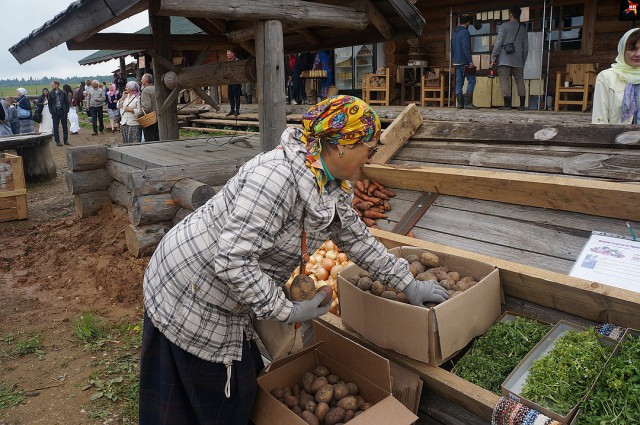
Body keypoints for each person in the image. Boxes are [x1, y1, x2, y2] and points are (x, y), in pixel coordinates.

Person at [138, 95, 449, 424]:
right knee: (218, 400)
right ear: (342, 145)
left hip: (219, 291)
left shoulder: (329, 182)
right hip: (190, 290)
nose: (370, 158)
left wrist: (408, 284)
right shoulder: (275, 180)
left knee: (236, 394)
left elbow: (356, 237)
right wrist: (285, 310)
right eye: (368, 148)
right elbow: (233, 261)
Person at [592, 28, 640, 124]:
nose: (638, 54)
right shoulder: (606, 77)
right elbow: (599, 119)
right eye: (632, 49)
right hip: (616, 137)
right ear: (622, 50)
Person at [491, 5, 528, 111]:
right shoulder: (523, 29)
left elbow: (498, 43)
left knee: (504, 81)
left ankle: (507, 105)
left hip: (504, 59)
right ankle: (521, 105)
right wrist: (523, 61)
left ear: (511, 14)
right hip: (518, 60)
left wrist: (493, 56)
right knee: (520, 80)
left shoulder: (504, 26)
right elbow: (526, 48)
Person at [452, 15, 477, 109]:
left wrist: (454, 59)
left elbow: (452, 48)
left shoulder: (454, 33)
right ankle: (467, 103)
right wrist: (470, 61)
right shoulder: (465, 32)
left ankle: (460, 104)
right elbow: (466, 47)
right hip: (464, 61)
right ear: (468, 23)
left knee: (459, 82)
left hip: (456, 61)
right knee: (472, 80)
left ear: (459, 22)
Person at [48, 80, 70, 146]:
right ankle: (57, 141)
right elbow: (49, 103)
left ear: (57, 85)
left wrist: (66, 110)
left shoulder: (63, 93)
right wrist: (51, 111)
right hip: (55, 112)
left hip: (62, 111)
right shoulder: (50, 93)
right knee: (55, 127)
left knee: (65, 126)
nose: (51, 86)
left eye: (52, 85)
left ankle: (65, 140)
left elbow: (67, 102)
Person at [138, 73, 159, 142]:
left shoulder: (146, 90)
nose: (141, 80)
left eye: (142, 79)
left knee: (150, 140)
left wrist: (138, 114)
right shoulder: (155, 88)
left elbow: (146, 107)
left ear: (145, 81)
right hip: (158, 118)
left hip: (149, 120)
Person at [226, 50, 242, 117]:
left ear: (233, 53)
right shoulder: (228, 62)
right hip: (230, 81)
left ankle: (237, 110)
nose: (227, 55)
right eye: (227, 54)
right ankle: (232, 110)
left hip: (236, 81)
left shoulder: (237, 60)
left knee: (236, 96)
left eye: (229, 54)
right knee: (231, 96)